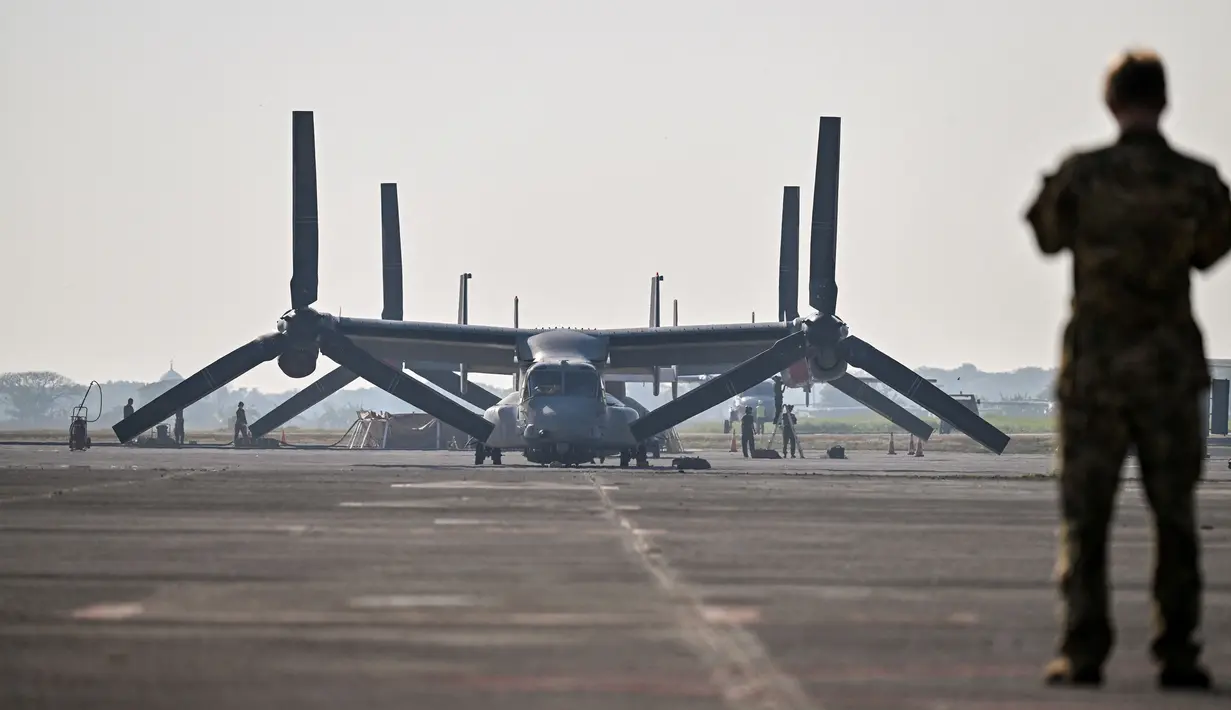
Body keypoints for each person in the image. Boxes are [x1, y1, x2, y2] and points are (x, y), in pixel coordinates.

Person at [1024, 49, 1229, 690]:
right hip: (1168, 370)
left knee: (1086, 517)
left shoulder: (1083, 175)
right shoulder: (1196, 180)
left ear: (1112, 103)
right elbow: (1211, 250)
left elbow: (1046, 234)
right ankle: (1179, 652)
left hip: (1097, 373)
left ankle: (1082, 651)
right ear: (1164, 102)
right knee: (1173, 515)